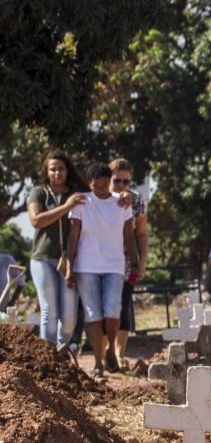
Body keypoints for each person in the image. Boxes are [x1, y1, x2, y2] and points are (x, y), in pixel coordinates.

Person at [66, 163, 137, 378]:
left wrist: (134, 262)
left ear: (110, 181)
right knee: (92, 314)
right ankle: (98, 363)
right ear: (90, 184)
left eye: (105, 185)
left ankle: (111, 348)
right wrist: (69, 265)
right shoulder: (81, 203)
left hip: (114, 266)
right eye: (97, 186)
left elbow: (129, 235)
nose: (101, 189)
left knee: (112, 309)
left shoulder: (122, 204)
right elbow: (73, 236)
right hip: (86, 266)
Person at [26, 152, 88, 349]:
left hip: (70, 260)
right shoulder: (38, 193)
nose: (57, 173)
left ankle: (62, 349)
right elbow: (36, 220)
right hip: (42, 258)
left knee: (69, 317)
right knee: (49, 309)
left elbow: (101, 196)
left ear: (67, 170)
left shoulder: (76, 193)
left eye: (61, 168)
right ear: (46, 171)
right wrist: (66, 207)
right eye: (53, 169)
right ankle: (48, 354)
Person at [110, 159, 148, 368]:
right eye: (117, 181)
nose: (122, 186)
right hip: (102, 261)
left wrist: (141, 262)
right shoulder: (99, 198)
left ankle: (118, 353)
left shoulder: (137, 200)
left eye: (126, 181)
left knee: (124, 304)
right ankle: (105, 352)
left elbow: (141, 233)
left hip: (128, 262)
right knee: (107, 307)